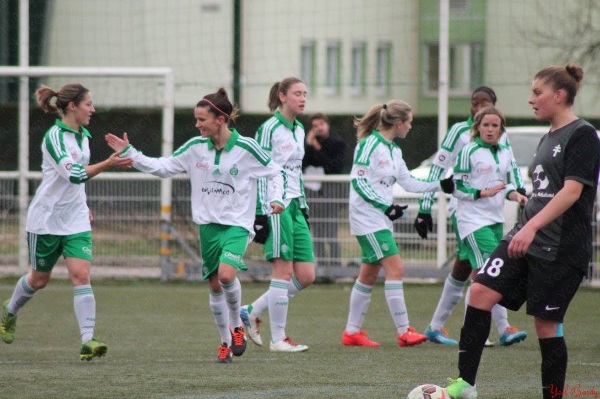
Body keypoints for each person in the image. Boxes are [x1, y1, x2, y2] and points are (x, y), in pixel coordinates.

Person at [446, 64, 600, 399]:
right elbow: (544, 190)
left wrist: (529, 227)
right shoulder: (547, 137)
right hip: (524, 235)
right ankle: (465, 385)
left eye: (536, 92)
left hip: (560, 248)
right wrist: (524, 222)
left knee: (546, 326)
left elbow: (571, 192)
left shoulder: (583, 135)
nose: (531, 99)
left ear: (559, 96)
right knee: (480, 291)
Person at [105, 88, 286, 363]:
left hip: (237, 225)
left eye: (202, 119)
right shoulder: (194, 147)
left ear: (221, 119)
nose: (197, 124)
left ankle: (237, 323)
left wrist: (276, 198)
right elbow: (163, 167)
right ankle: (225, 343)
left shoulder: (246, 147)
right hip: (207, 226)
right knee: (215, 287)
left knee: (226, 276)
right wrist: (133, 154)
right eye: (196, 119)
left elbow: (275, 171)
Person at [0, 83, 133, 360]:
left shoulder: (83, 136)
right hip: (47, 219)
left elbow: (76, 185)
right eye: (88, 104)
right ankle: (9, 310)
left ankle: (88, 341)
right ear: (73, 106)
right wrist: (107, 164)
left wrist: (83, 206)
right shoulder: (54, 137)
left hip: (75, 219)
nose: (93, 110)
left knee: (81, 275)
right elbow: (73, 175)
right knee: (39, 280)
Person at [415, 86, 527, 347]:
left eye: (484, 103)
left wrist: (518, 191)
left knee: (463, 270)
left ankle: (435, 327)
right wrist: (425, 205)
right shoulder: (459, 134)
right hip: (466, 211)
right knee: (490, 269)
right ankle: (501, 328)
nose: (478, 108)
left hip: (493, 214)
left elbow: (509, 171)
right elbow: (439, 170)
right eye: (474, 103)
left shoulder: (500, 139)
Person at [341, 100, 455, 347]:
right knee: (396, 269)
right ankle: (404, 331)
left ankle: (351, 332)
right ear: (398, 122)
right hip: (367, 218)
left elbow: (410, 183)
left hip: (380, 218)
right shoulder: (368, 144)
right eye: (409, 122)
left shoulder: (394, 151)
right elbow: (358, 183)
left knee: (368, 275)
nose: (411, 127)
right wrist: (385, 207)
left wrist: (441, 185)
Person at [240, 77, 314, 352]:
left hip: (296, 206)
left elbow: (295, 171)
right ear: (282, 96)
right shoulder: (269, 129)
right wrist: (261, 213)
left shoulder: (299, 128)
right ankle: (278, 339)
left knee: (306, 275)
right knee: (282, 273)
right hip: (276, 205)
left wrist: (303, 206)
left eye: (305, 93)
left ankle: (251, 310)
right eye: (297, 93)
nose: (303, 98)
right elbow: (258, 170)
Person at [302, 112, 348, 267]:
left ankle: (335, 266)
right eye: (315, 126)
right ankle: (321, 267)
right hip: (312, 194)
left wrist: (316, 147)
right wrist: (309, 146)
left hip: (331, 194)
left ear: (327, 124)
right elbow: (303, 164)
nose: (318, 128)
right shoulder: (307, 144)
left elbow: (333, 167)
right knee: (317, 234)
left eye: (321, 124)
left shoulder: (337, 143)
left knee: (331, 232)